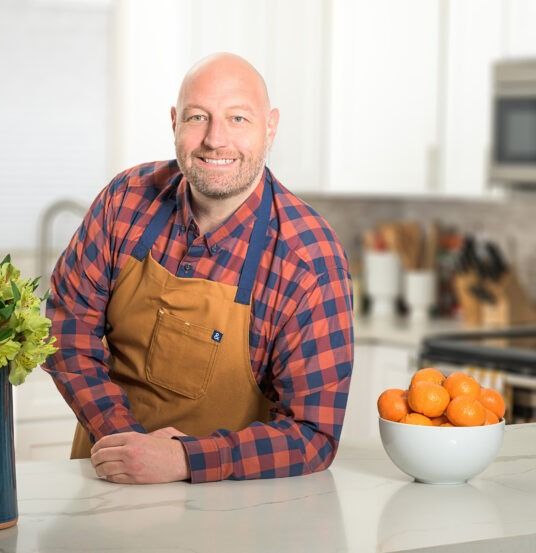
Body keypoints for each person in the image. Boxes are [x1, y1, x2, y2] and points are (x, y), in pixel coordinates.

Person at [42, 52, 354, 485]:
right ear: (174, 122)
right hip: (105, 479)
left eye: (238, 119)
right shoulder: (125, 200)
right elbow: (67, 327)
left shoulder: (308, 259)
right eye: (197, 117)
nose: (215, 139)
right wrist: (125, 443)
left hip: (226, 514)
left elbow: (312, 436)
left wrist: (181, 460)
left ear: (271, 127)